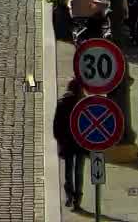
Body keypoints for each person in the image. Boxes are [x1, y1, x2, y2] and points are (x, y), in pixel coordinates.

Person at [52, 79, 85, 210]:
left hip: (67, 142)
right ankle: (78, 199)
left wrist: (60, 141)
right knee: (79, 171)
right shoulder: (83, 103)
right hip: (81, 143)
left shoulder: (62, 103)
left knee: (68, 170)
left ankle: (69, 196)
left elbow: (56, 127)